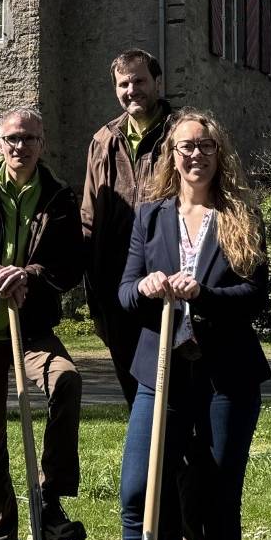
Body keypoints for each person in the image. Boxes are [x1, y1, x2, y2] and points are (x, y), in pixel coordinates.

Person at [117, 110, 271, 540]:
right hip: (160, 372)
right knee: (139, 492)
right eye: (186, 146)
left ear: (218, 153)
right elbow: (123, 292)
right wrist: (146, 287)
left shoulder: (241, 217)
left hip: (226, 376)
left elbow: (255, 296)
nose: (196, 155)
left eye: (205, 146)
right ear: (172, 154)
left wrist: (202, 295)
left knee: (218, 495)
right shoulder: (150, 216)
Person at [0, 106, 87, 540]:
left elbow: (70, 266)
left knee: (67, 381)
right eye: (12, 138)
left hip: (31, 331)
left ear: (43, 143)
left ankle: (49, 500)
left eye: (30, 138)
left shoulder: (58, 197)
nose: (21, 146)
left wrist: (28, 275)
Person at [82, 48, 174, 405]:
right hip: (116, 285)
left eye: (139, 80)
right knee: (134, 389)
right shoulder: (103, 141)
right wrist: (94, 294)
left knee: (172, 387)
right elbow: (88, 218)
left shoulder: (179, 134)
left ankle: (177, 458)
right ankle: (149, 457)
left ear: (158, 82)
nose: (131, 89)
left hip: (167, 279)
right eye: (124, 84)